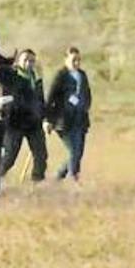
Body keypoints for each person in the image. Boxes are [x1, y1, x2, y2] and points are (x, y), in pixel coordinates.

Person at [0, 49, 48, 181]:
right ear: (19, 61)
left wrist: (45, 117)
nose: (29, 63)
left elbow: (41, 99)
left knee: (41, 155)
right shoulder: (12, 77)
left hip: (34, 123)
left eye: (32, 61)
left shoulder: (35, 78)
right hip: (15, 123)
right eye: (26, 60)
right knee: (9, 157)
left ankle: (37, 182)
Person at [45, 47, 92, 181]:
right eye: (73, 60)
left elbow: (87, 93)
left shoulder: (82, 75)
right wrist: (47, 119)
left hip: (80, 119)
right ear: (66, 60)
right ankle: (73, 178)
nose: (76, 63)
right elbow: (50, 98)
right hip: (63, 120)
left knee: (78, 152)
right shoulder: (61, 75)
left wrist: (85, 106)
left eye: (78, 60)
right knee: (74, 150)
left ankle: (59, 176)